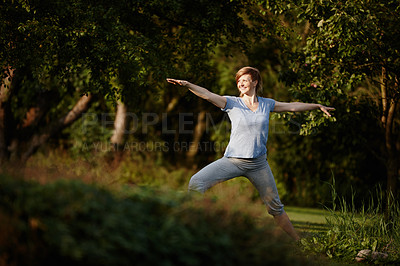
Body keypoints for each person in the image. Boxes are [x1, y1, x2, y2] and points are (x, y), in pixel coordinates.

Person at [166, 66, 334, 241]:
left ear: (255, 82)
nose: (241, 83)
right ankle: (190, 228)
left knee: (275, 207)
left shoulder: (267, 104)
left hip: (258, 165)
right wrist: (187, 85)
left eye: (244, 80)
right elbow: (207, 95)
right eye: (238, 81)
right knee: (196, 181)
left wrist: (316, 105)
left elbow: (291, 106)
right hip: (232, 161)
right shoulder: (231, 103)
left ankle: (299, 242)